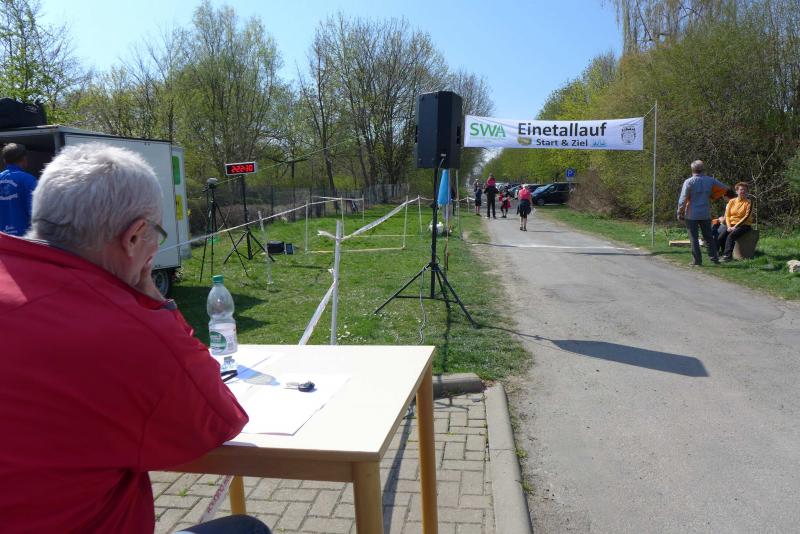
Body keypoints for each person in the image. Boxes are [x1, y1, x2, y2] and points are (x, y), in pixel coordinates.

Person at [0, 143, 269, 534]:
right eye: (156, 234)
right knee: (247, 529)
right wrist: (158, 308)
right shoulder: (125, 330)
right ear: (134, 237)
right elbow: (221, 420)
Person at [677, 160, 730, 266]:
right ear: (703, 169)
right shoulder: (710, 180)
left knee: (694, 238)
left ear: (692, 169)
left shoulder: (689, 181)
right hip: (705, 213)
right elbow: (725, 188)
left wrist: (680, 212)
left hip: (691, 214)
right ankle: (714, 259)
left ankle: (697, 261)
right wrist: (713, 196)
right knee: (709, 237)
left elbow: (683, 199)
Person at [0, 143, 38, 236]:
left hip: (2, 239)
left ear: (5, 160)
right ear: (24, 159)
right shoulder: (28, 180)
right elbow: (35, 212)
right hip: (23, 239)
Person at [719, 181, 753, 261]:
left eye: (745, 190)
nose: (743, 191)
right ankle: (724, 253)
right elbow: (727, 215)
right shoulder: (732, 201)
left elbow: (746, 216)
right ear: (737, 191)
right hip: (731, 225)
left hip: (744, 225)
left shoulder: (749, 202)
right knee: (721, 237)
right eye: (741, 189)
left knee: (731, 236)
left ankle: (727, 256)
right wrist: (729, 226)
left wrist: (735, 226)